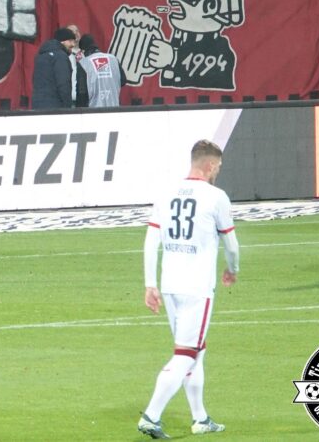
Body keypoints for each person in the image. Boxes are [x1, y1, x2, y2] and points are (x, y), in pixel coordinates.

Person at [137, 139, 237, 439]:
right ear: (208, 165)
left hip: (169, 285)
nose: (218, 170)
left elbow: (150, 242)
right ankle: (151, 416)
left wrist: (149, 284)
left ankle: (200, 418)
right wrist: (233, 269)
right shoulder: (216, 196)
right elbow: (231, 245)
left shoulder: (166, 193)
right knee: (185, 354)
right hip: (197, 287)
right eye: (218, 166)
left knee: (196, 352)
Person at [30, 28, 77, 109]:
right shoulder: (60, 56)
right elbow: (63, 83)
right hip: (55, 107)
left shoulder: (40, 56)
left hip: (37, 106)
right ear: (62, 41)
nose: (73, 44)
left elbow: (34, 81)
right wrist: (68, 108)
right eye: (70, 41)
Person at [80, 34, 124, 107]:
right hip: (114, 107)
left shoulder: (84, 63)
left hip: (94, 110)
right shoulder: (113, 58)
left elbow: (82, 92)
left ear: (83, 50)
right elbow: (123, 81)